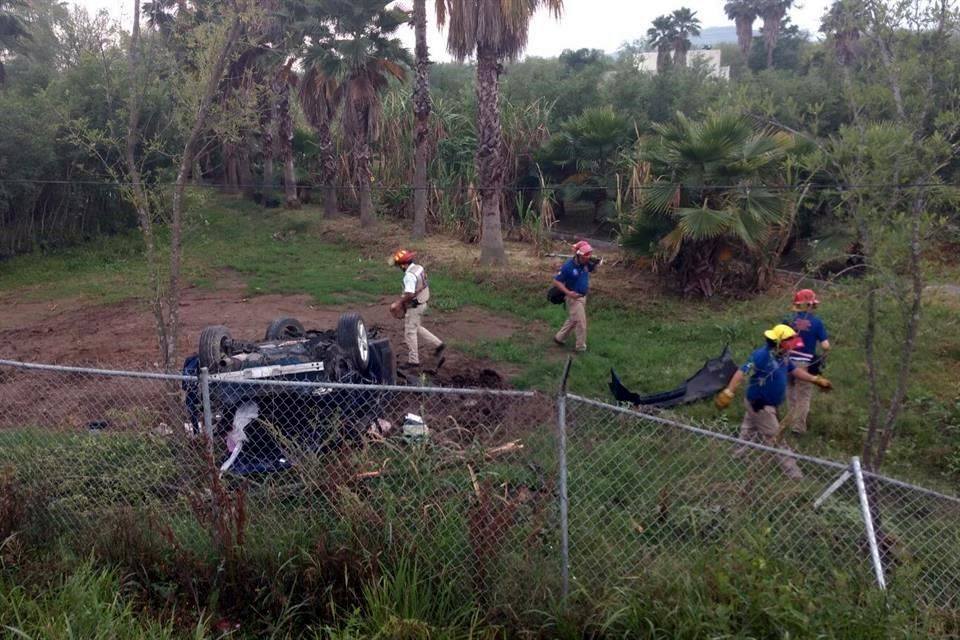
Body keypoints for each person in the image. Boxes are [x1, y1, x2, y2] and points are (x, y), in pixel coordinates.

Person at [715, 324, 833, 479]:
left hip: (764, 404)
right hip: (760, 405)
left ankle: (736, 458)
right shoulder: (762, 356)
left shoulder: (783, 356)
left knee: (748, 431)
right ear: (779, 342)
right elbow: (742, 372)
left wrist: (815, 379)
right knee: (775, 438)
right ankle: (794, 474)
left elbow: (794, 370)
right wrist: (729, 391)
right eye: (790, 341)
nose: (793, 344)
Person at [785, 289, 831, 434]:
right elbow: (825, 345)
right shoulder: (816, 322)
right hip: (804, 364)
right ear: (811, 305)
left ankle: (790, 421)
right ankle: (798, 428)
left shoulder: (788, 319)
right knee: (803, 396)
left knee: (791, 392)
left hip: (786, 361)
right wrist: (824, 353)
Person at [389, 249, 444, 369]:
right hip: (423, 303)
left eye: (399, 265)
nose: (399, 268)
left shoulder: (409, 276)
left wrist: (398, 303)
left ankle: (413, 361)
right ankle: (438, 344)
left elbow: (409, 294)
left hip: (414, 306)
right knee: (416, 327)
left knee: (410, 332)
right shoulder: (418, 268)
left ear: (403, 265)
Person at [552, 240, 600, 352]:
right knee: (581, 322)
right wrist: (568, 293)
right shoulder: (568, 266)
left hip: (583, 297)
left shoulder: (587, 262)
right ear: (578, 255)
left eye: (588, 257)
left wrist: (596, 264)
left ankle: (559, 338)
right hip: (573, 298)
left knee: (573, 319)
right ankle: (580, 347)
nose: (586, 260)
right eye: (584, 258)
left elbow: (594, 271)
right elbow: (556, 281)